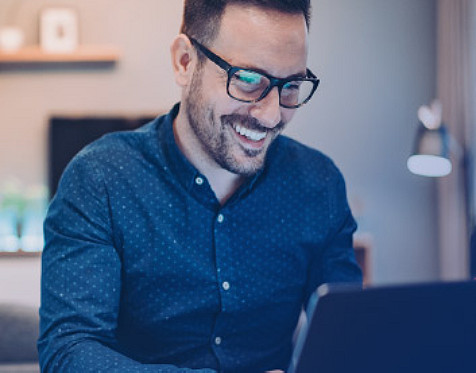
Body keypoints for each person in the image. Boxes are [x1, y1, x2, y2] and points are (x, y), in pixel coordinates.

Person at [38, 1, 362, 372]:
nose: (272, 114)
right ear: (184, 62)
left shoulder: (319, 185)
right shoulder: (100, 180)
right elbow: (68, 353)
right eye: (249, 80)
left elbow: (347, 339)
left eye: (290, 86)